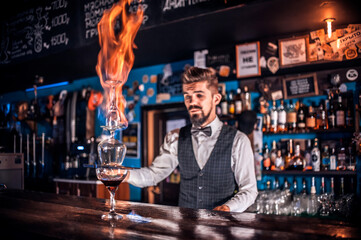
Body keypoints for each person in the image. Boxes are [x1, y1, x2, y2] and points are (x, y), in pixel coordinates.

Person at [125, 66, 258, 212]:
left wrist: (228, 207)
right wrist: (123, 174)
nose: (192, 102)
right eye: (188, 96)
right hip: (185, 228)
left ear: (216, 99)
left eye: (199, 95)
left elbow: (249, 190)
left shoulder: (238, 141)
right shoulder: (175, 137)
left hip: (221, 229)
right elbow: (153, 175)